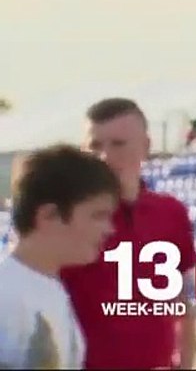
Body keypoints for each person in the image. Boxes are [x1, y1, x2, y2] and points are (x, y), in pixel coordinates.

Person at [61, 98, 196, 370]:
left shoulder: (170, 213)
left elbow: (181, 303)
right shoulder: (66, 220)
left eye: (118, 144)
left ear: (145, 147)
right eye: (95, 146)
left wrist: (185, 365)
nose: (105, 156)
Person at [0, 145, 119, 369]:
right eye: (97, 215)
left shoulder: (49, 288)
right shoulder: (7, 297)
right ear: (49, 216)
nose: (109, 229)